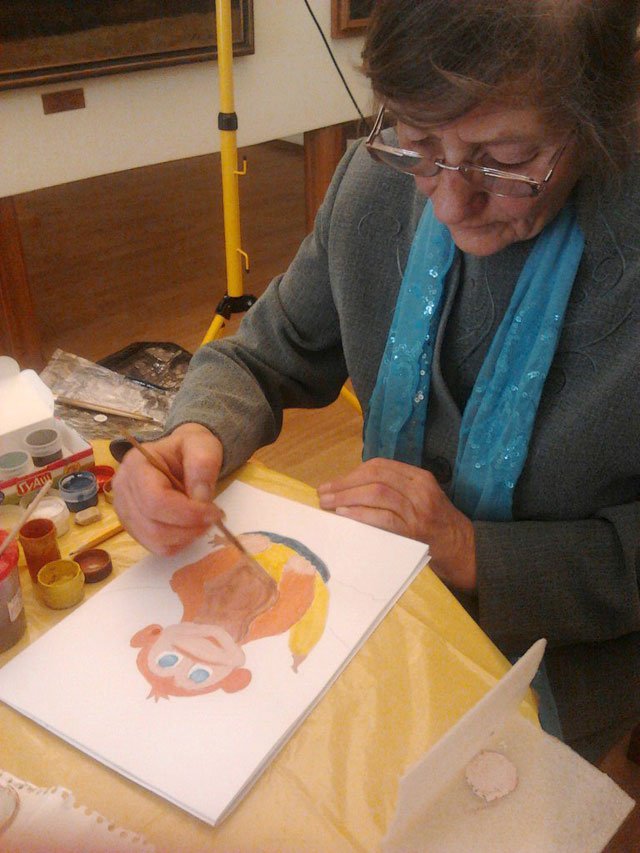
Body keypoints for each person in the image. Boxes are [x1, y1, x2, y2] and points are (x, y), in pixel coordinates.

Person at [114, 0, 640, 763]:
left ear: (607, 113)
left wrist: (472, 550)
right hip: (370, 603)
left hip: (567, 656)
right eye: (418, 142)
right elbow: (264, 354)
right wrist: (195, 431)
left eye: (505, 157)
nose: (450, 202)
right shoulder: (376, 186)